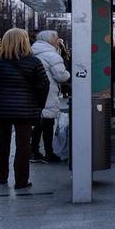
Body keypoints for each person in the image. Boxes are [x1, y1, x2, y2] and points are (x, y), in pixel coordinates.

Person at [0, 28, 49, 189]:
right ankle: (21, 181)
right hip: (24, 109)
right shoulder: (33, 62)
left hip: (0, 109)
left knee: (1, 143)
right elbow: (43, 85)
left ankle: (2, 177)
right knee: (23, 144)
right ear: (25, 41)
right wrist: (38, 104)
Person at [29, 31, 71, 163]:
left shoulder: (32, 51)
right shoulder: (51, 55)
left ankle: (34, 152)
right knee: (48, 123)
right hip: (48, 91)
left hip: (34, 92)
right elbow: (61, 76)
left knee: (38, 124)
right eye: (57, 38)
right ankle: (49, 153)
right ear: (50, 41)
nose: (58, 41)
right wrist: (70, 74)